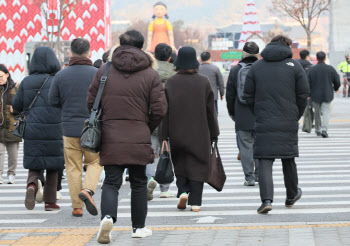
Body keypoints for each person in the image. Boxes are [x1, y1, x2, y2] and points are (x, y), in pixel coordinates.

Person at [87, 30, 167, 244]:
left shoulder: (105, 69)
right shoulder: (150, 73)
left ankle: (107, 218)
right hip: (139, 133)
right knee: (139, 183)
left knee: (112, 182)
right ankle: (138, 228)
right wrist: (146, 126)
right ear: (142, 47)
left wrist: (107, 122)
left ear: (119, 45)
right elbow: (160, 109)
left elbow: (91, 102)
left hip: (111, 133)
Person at [244, 35, 310, 214]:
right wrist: (296, 114)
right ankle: (291, 195)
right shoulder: (294, 66)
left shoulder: (256, 66)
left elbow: (247, 95)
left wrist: (258, 112)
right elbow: (303, 94)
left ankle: (266, 200)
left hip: (264, 119)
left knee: (264, 159)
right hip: (288, 119)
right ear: (287, 46)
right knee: (288, 158)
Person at [49, 38, 103, 218]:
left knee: (73, 168)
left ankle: (76, 207)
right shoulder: (97, 74)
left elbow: (53, 101)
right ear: (90, 52)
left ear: (70, 53)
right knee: (95, 162)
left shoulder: (61, 75)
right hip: (92, 130)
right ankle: (88, 190)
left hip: (69, 130)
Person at [161, 46, 220, 213]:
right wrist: (214, 133)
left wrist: (164, 135)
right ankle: (196, 203)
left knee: (180, 163)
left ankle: (183, 192)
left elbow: (166, 111)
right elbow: (211, 111)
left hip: (176, 132)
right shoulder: (203, 82)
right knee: (199, 165)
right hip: (200, 132)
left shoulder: (171, 82)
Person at [12, 46, 64, 211]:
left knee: (35, 162)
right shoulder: (57, 79)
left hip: (33, 127)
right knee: (53, 165)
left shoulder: (26, 81)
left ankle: (32, 185)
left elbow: (16, 105)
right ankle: (50, 202)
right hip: (55, 127)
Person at [226, 42, 259, 186]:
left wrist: (233, 114)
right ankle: (259, 174)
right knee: (259, 146)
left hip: (242, 114)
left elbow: (230, 96)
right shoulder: (262, 69)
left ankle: (249, 177)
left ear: (243, 53)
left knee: (245, 147)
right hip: (260, 114)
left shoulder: (235, 71)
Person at [146, 43, 176, 201]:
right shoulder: (175, 72)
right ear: (170, 57)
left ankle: (150, 180)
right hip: (169, 120)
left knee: (150, 154)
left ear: (154, 56)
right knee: (166, 154)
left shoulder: (148, 73)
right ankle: (165, 189)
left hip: (151, 119)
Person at [308, 51, 340, 138]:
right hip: (327, 94)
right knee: (326, 112)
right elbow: (337, 80)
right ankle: (324, 129)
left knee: (317, 113)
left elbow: (308, 83)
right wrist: (336, 88)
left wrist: (309, 94)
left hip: (315, 94)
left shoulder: (312, 69)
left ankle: (317, 129)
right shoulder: (330, 69)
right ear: (325, 58)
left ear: (317, 58)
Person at [0, 65, 22, 185]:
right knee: (0, 152)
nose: (0, 79)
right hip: (0, 126)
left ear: (7, 74)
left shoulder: (16, 89)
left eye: (1, 76)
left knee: (12, 154)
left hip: (12, 127)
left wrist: (16, 110)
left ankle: (11, 174)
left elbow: (23, 106)